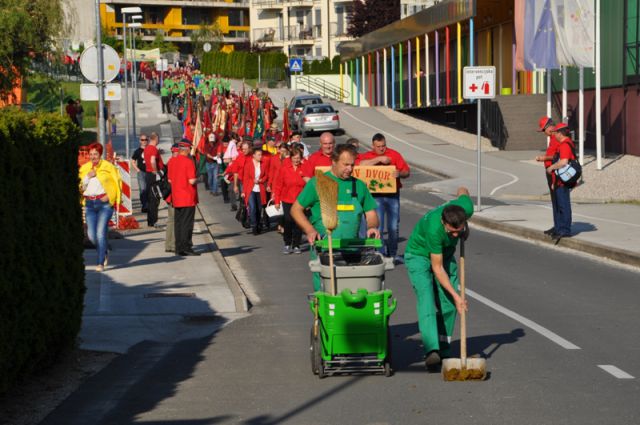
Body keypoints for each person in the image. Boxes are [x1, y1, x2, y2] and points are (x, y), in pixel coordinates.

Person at [291, 144, 381, 291]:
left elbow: (370, 213)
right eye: (345, 164)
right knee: (328, 296)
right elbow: (296, 210)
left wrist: (372, 226)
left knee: (353, 293)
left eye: (352, 165)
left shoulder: (358, 186)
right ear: (333, 161)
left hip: (352, 250)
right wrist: (309, 230)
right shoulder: (318, 183)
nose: (350, 169)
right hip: (326, 250)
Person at [404, 186, 473, 371]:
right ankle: (431, 350)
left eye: (459, 230)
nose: (456, 235)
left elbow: (462, 190)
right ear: (444, 223)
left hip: (446, 254)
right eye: (452, 232)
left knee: (449, 303)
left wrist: (454, 298)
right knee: (426, 297)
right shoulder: (435, 229)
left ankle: (444, 348)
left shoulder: (465, 209)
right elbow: (437, 268)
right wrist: (459, 297)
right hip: (419, 255)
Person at [359, 133, 411, 264]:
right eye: (378, 147)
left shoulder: (394, 154)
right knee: (379, 226)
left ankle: (393, 253)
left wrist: (400, 174)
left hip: (392, 195)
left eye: (383, 146)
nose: (382, 149)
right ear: (373, 145)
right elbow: (360, 165)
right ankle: (381, 253)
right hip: (375, 196)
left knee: (393, 226)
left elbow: (406, 172)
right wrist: (379, 159)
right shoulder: (368, 156)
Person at [79, 143, 122, 272]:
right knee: (92, 236)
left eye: (95, 154)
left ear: (100, 154)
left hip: (104, 204)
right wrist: (88, 177)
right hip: (90, 204)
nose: (93, 157)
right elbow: (81, 187)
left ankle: (100, 262)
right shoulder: (85, 168)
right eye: (91, 154)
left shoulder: (108, 167)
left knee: (100, 233)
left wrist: (110, 197)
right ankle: (103, 251)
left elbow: (116, 183)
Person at [168, 140, 200, 256]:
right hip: (188, 197)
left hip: (176, 197)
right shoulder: (188, 162)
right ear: (186, 150)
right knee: (187, 224)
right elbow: (191, 181)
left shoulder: (172, 161)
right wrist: (198, 179)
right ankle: (187, 247)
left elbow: (170, 180)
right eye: (190, 149)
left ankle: (178, 248)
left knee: (178, 223)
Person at [544, 123, 576, 239]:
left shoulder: (565, 145)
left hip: (562, 181)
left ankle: (565, 230)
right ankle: (559, 228)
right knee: (559, 204)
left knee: (563, 205)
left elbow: (563, 162)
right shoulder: (563, 144)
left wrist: (551, 168)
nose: (555, 134)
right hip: (558, 180)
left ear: (561, 133)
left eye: (556, 132)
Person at [273, 145, 305, 254]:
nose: (296, 160)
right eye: (294, 158)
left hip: (300, 201)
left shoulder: (304, 169)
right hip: (287, 199)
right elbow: (278, 186)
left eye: (298, 158)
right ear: (290, 158)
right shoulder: (285, 169)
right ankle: (287, 243)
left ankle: (296, 245)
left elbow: (309, 186)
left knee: (298, 223)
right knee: (288, 221)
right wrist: (277, 201)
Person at [534, 116, 561, 236]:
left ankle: (560, 227)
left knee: (558, 199)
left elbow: (557, 156)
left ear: (549, 128)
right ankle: (557, 225)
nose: (543, 133)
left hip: (554, 171)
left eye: (543, 130)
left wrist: (543, 158)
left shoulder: (556, 138)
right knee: (554, 200)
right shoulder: (552, 138)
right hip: (550, 171)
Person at [242, 147, 269, 235]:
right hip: (251, 189)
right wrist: (243, 191)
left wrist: (261, 180)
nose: (261, 156)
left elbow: (266, 176)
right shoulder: (248, 164)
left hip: (260, 189)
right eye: (259, 155)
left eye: (261, 155)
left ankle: (258, 224)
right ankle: (253, 225)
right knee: (252, 208)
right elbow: (245, 178)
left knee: (259, 208)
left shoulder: (263, 164)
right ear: (253, 155)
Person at [144, 132, 164, 228]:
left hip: (148, 175)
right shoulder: (153, 149)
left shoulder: (147, 148)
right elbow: (152, 160)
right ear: (155, 139)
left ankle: (150, 220)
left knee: (150, 198)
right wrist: (156, 172)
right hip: (153, 175)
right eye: (158, 139)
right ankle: (153, 221)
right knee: (155, 199)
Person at [165, 143, 180, 253]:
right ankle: (173, 245)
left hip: (170, 196)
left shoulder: (170, 161)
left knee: (171, 220)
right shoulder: (175, 162)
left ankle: (169, 245)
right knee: (175, 220)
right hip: (175, 195)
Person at [131, 134, 148, 212]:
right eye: (142, 140)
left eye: (145, 140)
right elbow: (133, 161)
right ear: (140, 141)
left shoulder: (150, 149)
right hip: (141, 172)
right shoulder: (137, 151)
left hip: (149, 172)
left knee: (148, 189)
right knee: (143, 189)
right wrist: (137, 170)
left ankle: (148, 205)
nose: (144, 141)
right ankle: (144, 205)